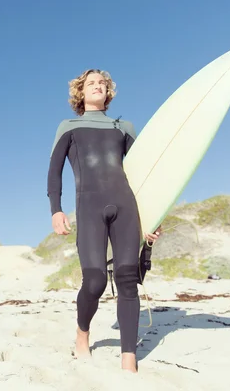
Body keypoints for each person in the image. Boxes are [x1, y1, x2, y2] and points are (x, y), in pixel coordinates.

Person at [46, 68, 162, 373]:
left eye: (102, 83)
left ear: (108, 92)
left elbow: (143, 175)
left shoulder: (124, 127)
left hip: (126, 206)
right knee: (95, 280)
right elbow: (54, 172)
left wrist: (153, 215)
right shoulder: (69, 127)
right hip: (89, 207)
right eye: (91, 83)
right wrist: (56, 210)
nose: (98, 86)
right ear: (80, 93)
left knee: (127, 278)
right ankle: (82, 332)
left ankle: (129, 361)